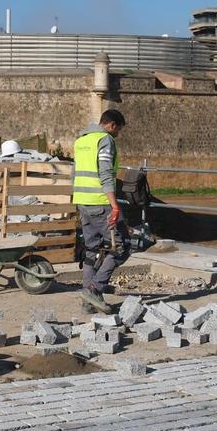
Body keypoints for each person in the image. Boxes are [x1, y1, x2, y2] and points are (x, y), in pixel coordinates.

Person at [72, 108, 131, 314]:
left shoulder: (81, 140)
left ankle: (88, 304)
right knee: (123, 246)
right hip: (100, 201)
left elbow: (75, 173)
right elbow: (106, 173)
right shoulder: (105, 140)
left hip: (82, 201)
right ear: (112, 125)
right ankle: (94, 289)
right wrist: (114, 206)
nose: (118, 134)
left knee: (91, 250)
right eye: (118, 130)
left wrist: (76, 200)